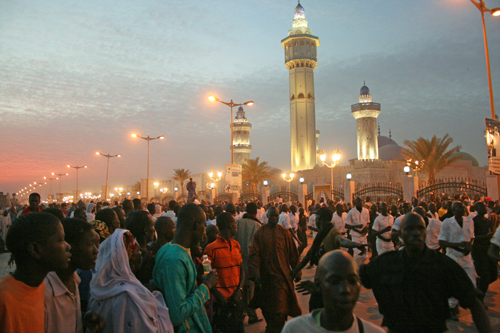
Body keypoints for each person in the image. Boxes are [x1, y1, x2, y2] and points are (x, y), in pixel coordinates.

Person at [360, 213, 491, 333]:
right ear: (400, 234)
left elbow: (474, 302)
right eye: (409, 229)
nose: (416, 233)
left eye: (420, 228)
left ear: (425, 231)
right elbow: (357, 278)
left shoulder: (443, 265)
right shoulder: (386, 263)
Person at [88, 229, 174, 333]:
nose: (142, 253)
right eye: (138, 252)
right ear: (130, 263)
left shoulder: (97, 289)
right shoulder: (130, 297)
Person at [0, 212, 72, 333]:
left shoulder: (39, 285)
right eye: (61, 240)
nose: (68, 246)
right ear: (35, 249)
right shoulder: (4, 298)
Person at [283, 251, 385, 333]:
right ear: (318, 286)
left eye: (352, 281)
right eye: (334, 281)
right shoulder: (295, 329)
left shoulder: (371, 331)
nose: (345, 289)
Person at [153, 203, 218, 333]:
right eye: (204, 227)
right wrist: (206, 286)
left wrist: (197, 275)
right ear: (196, 225)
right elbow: (178, 314)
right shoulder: (174, 260)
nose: (204, 233)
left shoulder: (173, 249)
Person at [44, 218, 104, 333]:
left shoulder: (74, 279)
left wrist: (84, 318)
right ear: (70, 246)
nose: (96, 251)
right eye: (90, 244)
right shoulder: (46, 290)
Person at [248, 206, 301, 333]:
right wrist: (256, 274)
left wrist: (297, 271)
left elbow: (293, 253)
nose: (274, 218)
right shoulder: (260, 233)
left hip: (282, 279)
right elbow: (254, 255)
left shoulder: (285, 233)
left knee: (280, 310)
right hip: (266, 279)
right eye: (271, 216)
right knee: (268, 309)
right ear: (267, 216)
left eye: (276, 216)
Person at [204, 212, 244, 332]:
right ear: (228, 225)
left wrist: (239, 290)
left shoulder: (237, 245)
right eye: (234, 223)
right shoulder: (210, 249)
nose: (236, 226)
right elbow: (206, 274)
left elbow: (242, 270)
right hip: (221, 303)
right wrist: (217, 293)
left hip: (236, 300)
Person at [438, 201, 476, 319]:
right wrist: (457, 245)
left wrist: (469, 245)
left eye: (462, 207)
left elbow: (472, 237)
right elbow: (441, 241)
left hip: (466, 257)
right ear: (453, 211)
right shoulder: (448, 223)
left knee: (471, 282)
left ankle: (471, 305)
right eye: (458, 207)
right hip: (453, 256)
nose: (462, 209)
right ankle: (452, 307)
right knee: (453, 283)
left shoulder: (469, 221)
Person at [233, 202, 262, 325]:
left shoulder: (238, 223)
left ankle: (241, 313)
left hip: (238, 260)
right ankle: (251, 314)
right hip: (251, 262)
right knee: (250, 289)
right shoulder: (257, 225)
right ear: (255, 212)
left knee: (240, 288)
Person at [471, 201, 497, 302]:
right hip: (478, 251)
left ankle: (479, 285)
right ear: (477, 209)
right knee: (485, 275)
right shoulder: (474, 221)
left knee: (493, 275)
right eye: (481, 207)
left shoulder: (487, 221)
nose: (484, 208)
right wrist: (486, 236)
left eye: (484, 206)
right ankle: (480, 299)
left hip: (487, 250)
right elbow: (472, 238)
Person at [126, 210, 156, 286]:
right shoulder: (147, 258)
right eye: (153, 226)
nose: (154, 229)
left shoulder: (125, 252)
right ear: (146, 230)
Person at [345, 197, 369, 266]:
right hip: (355, 236)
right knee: (358, 255)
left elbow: (367, 223)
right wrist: (356, 227)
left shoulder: (366, 211)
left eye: (361, 201)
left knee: (365, 256)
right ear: (355, 203)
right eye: (358, 201)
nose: (360, 202)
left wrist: (366, 229)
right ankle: (356, 269)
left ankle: (358, 267)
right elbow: (346, 225)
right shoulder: (351, 212)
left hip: (364, 236)